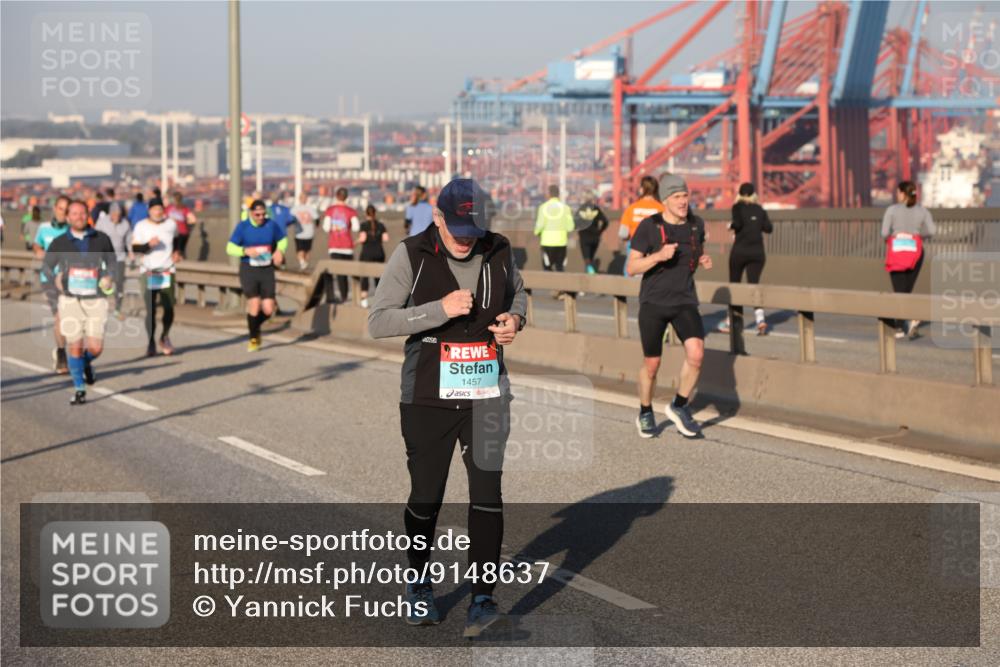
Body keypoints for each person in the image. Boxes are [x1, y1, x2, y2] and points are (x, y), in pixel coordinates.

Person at [368, 178, 527, 638]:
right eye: (457, 229)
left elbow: (519, 293)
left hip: (487, 393)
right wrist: (438, 309)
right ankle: (419, 585)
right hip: (427, 397)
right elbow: (379, 321)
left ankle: (482, 600)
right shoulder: (412, 254)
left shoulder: (498, 248)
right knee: (427, 496)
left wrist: (515, 319)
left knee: (487, 495)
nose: (465, 239)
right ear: (437, 217)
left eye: (472, 230)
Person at [626, 173, 712, 439]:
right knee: (652, 365)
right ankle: (645, 411)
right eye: (677, 197)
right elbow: (632, 267)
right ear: (665, 200)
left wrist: (702, 259)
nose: (683, 201)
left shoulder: (696, 225)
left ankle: (679, 405)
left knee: (696, 354)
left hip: (684, 300)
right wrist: (658, 256)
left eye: (685, 195)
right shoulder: (649, 226)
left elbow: (694, 254)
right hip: (653, 302)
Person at [41, 200, 117, 405]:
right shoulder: (59, 242)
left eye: (82, 213)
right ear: (68, 217)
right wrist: (55, 278)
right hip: (70, 300)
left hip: (96, 299)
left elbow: (112, 262)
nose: (79, 217)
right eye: (74, 214)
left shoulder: (101, 239)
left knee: (95, 348)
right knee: (74, 345)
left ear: (88, 215)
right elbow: (46, 266)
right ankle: (79, 389)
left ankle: (84, 364)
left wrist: (109, 276)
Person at [227, 199, 288, 351]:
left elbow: (282, 240)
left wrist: (280, 251)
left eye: (263, 214)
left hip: (266, 269)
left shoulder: (271, 225)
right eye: (257, 215)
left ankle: (254, 326)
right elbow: (230, 247)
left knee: (268, 309)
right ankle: (254, 338)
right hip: (249, 269)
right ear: (251, 213)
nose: (261, 217)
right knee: (254, 304)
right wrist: (244, 251)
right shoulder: (243, 227)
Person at [882, 180, 935, 339]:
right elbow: (932, 231)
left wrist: (893, 237)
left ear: (902, 193)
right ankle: (907, 320)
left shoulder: (891, 210)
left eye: (897, 192)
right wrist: (917, 237)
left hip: (897, 252)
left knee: (899, 290)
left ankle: (900, 327)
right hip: (915, 252)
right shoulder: (923, 211)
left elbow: (884, 233)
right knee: (906, 289)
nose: (896, 195)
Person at [720, 182, 773, 335]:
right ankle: (760, 320)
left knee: (735, 285)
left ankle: (731, 322)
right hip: (758, 253)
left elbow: (737, 224)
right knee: (754, 285)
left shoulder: (737, 207)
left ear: (739, 195)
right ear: (754, 195)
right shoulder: (760, 209)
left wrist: (730, 225)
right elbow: (769, 228)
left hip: (740, 251)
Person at [132, 198, 180, 356]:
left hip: (167, 270)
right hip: (149, 271)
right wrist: (148, 245)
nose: (157, 212)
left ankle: (164, 336)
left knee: (169, 308)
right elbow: (135, 248)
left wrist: (177, 251)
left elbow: (177, 238)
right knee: (151, 309)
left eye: (160, 209)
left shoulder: (171, 224)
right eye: (154, 209)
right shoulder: (141, 226)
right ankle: (151, 342)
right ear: (149, 210)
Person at [34, 195, 71, 374]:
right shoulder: (44, 227)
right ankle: (62, 355)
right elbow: (36, 244)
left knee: (71, 320)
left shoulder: (73, 230)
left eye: (67, 210)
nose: (63, 213)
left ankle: (61, 349)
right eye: (61, 209)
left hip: (70, 279)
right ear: (55, 209)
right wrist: (39, 251)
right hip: (48, 279)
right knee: (60, 316)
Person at [534, 185, 575, 299]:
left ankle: (554, 288)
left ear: (548, 194)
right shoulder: (566, 208)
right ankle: (560, 288)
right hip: (561, 241)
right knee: (560, 266)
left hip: (547, 241)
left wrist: (536, 232)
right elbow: (570, 227)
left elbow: (540, 225)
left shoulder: (543, 208)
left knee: (547, 266)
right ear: (558, 194)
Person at [95, 202, 134, 318]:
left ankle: (117, 309)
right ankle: (100, 306)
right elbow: (95, 237)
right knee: (103, 283)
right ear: (110, 213)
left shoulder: (125, 223)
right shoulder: (102, 222)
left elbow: (129, 240)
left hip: (119, 257)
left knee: (119, 283)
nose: (117, 217)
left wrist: (131, 251)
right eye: (115, 214)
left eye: (119, 214)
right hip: (104, 258)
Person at [619, 176, 665, 275]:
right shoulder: (662, 209)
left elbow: (623, 233)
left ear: (642, 189)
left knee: (629, 272)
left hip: (635, 247)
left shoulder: (631, 208)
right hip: (655, 249)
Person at [322, 187, 360, 303]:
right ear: (346, 197)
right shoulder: (351, 211)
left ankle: (341, 297)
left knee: (338, 273)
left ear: (336, 196)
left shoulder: (330, 210)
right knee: (348, 272)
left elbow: (326, 227)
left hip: (334, 246)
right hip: (347, 246)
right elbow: (356, 227)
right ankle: (348, 295)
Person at [357, 204, 389, 308]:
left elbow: (363, 239)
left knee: (365, 276)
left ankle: (364, 301)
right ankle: (380, 300)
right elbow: (386, 239)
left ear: (366, 213)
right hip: (379, 253)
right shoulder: (381, 225)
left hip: (367, 253)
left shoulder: (363, 225)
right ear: (375, 213)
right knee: (378, 277)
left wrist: (355, 242)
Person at [575, 192, 609, 275]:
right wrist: (600, 231)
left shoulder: (581, 209)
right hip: (595, 237)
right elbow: (605, 221)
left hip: (584, 237)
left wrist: (579, 230)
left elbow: (575, 222)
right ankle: (590, 272)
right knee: (590, 257)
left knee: (587, 259)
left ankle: (591, 273)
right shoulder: (596, 209)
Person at [291, 191, 319, 270]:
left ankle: (304, 264)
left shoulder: (297, 209)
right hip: (301, 233)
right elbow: (317, 219)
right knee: (302, 250)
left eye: (304, 198)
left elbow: (317, 218)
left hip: (306, 233)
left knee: (305, 250)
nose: (303, 199)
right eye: (302, 198)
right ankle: (303, 263)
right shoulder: (297, 209)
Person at [166, 191, 197, 259]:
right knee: (180, 251)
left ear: (173, 199)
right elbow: (193, 220)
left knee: (174, 251)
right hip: (183, 231)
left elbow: (163, 217)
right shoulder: (184, 208)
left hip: (174, 233)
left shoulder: (169, 208)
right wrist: (185, 221)